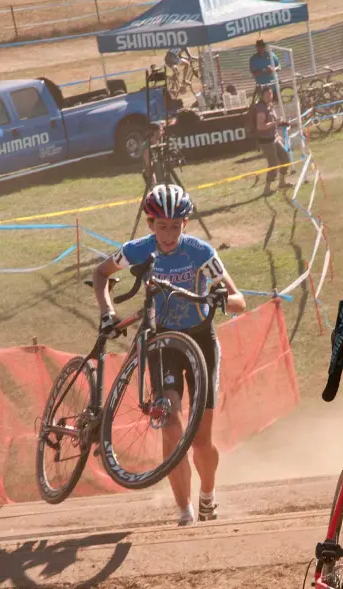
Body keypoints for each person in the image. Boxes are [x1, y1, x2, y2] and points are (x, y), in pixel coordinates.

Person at [92, 184, 246, 527]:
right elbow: (100, 274)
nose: (169, 234)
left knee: (202, 441)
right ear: (150, 224)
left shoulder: (200, 252)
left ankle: (207, 494)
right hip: (162, 343)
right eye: (162, 226)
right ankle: (185, 512)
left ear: (186, 224)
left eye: (176, 226)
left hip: (200, 340)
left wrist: (221, 299)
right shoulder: (138, 250)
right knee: (170, 426)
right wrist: (107, 311)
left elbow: (240, 301)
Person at [254, 86, 291, 195]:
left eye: (271, 94)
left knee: (285, 158)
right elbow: (260, 126)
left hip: (274, 138)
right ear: (262, 96)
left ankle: (282, 182)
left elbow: (272, 122)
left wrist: (280, 124)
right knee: (273, 164)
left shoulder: (270, 106)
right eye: (267, 95)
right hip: (266, 141)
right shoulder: (260, 108)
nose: (270, 97)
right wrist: (275, 123)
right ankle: (267, 188)